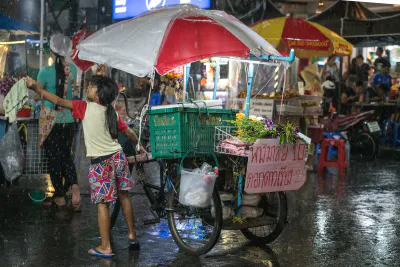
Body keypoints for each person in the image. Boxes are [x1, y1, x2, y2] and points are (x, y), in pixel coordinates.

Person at [26, 75, 146, 257]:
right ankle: (132, 236)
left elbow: (57, 100)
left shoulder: (84, 107)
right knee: (125, 197)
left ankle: (106, 247)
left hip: (101, 163)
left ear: (99, 93)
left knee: (102, 204)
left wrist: (37, 89)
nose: (88, 88)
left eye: (91, 86)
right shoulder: (110, 111)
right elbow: (128, 132)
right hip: (118, 157)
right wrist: (141, 146)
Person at [37, 34, 80, 209]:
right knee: (65, 155)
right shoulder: (74, 70)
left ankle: (60, 196)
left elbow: (37, 93)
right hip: (69, 119)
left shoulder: (45, 72)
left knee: (54, 158)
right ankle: (75, 187)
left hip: (50, 120)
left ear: (52, 51)